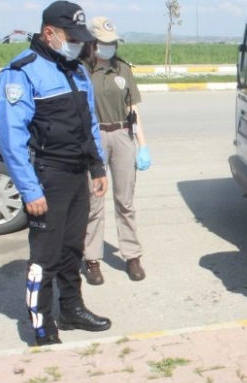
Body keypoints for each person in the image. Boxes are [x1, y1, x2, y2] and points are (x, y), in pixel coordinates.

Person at [0, 0, 111, 346]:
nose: (76, 43)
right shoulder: (21, 72)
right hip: (47, 175)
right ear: (49, 33)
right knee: (44, 257)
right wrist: (30, 190)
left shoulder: (74, 69)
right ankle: (42, 326)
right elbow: (11, 140)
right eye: (70, 37)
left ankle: (72, 309)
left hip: (77, 175)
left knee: (72, 249)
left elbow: (88, 121)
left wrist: (96, 165)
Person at [81, 16, 150, 285]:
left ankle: (131, 255)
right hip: (94, 136)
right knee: (94, 202)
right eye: (103, 42)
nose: (109, 47)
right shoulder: (81, 71)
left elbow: (133, 111)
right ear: (91, 43)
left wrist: (143, 145)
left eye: (112, 42)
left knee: (125, 201)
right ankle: (92, 259)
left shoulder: (122, 69)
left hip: (122, 134)